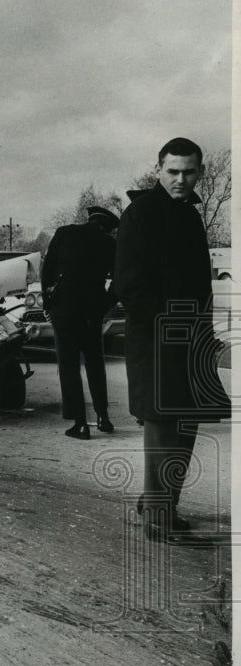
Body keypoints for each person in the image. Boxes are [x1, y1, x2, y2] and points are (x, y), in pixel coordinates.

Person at [114, 137, 229, 542]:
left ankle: (160, 504)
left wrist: (203, 336)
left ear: (199, 172)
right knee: (164, 428)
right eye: (172, 171)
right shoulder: (140, 214)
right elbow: (129, 285)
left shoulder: (189, 215)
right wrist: (168, 328)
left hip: (191, 338)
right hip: (158, 341)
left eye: (189, 172)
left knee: (186, 425)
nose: (181, 179)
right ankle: (157, 520)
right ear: (158, 170)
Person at [41, 206, 120, 439]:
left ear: (89, 219)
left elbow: (48, 270)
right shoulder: (110, 244)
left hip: (64, 308)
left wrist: (49, 302)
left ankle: (80, 423)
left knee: (69, 365)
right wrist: (103, 305)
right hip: (91, 311)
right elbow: (118, 282)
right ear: (107, 227)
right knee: (95, 362)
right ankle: (103, 417)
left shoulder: (65, 233)